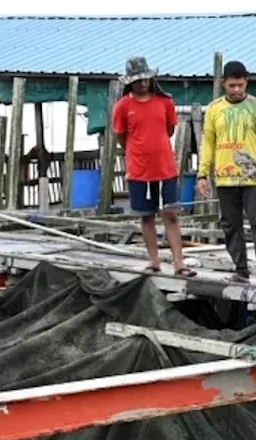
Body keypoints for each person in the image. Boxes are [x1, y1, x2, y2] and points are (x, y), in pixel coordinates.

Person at [196, 60, 256, 286]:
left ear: (246, 83)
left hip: (251, 175)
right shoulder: (214, 109)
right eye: (232, 85)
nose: (236, 90)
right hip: (224, 177)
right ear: (224, 83)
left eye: (240, 85)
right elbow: (208, 143)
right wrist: (202, 174)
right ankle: (241, 270)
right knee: (230, 224)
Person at [113, 56, 194, 277]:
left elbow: (169, 130)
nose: (142, 83)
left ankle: (179, 262)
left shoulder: (165, 101)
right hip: (138, 170)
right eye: (137, 80)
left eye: (145, 79)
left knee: (170, 214)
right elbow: (121, 136)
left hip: (165, 167)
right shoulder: (122, 107)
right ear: (130, 82)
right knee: (146, 216)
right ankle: (154, 260)